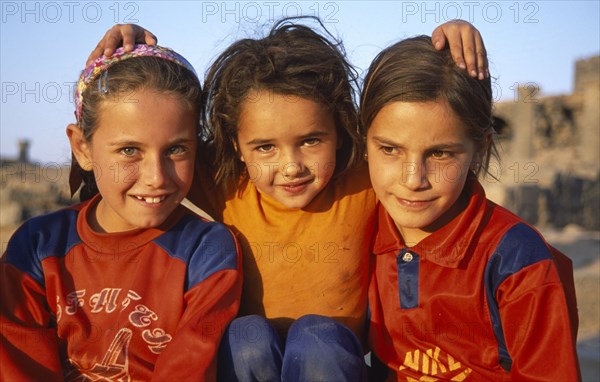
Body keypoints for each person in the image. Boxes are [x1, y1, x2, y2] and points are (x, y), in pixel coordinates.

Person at [87, 18, 489, 381]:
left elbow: (433, 140)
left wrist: (451, 56)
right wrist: (126, 62)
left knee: (318, 340)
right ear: (236, 146)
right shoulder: (226, 181)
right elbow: (158, 139)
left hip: (333, 364)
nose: (291, 166)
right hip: (246, 365)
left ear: (340, 129)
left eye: (311, 141)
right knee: (246, 336)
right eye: (264, 147)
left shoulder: (367, 180)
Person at [0, 45, 242, 381]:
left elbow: (190, 367)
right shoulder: (37, 247)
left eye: (176, 149)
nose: (156, 177)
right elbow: (19, 365)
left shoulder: (208, 251)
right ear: (82, 148)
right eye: (129, 150)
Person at [361, 35, 581, 381]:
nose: (413, 179)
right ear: (362, 142)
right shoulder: (356, 226)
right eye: (390, 149)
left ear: (479, 149)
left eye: (440, 153)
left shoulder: (516, 259)